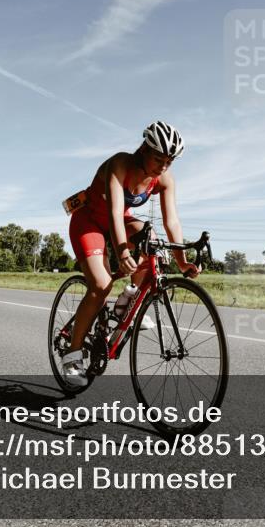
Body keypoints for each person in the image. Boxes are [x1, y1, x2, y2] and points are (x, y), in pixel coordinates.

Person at [61, 121, 199, 385]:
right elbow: (113, 212)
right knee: (101, 285)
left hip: (121, 220)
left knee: (154, 243)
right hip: (89, 221)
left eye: (169, 161)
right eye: (158, 158)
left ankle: (128, 302)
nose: (163, 166)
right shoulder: (120, 164)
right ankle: (72, 354)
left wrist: (182, 262)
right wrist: (123, 251)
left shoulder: (164, 179)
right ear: (144, 149)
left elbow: (172, 222)